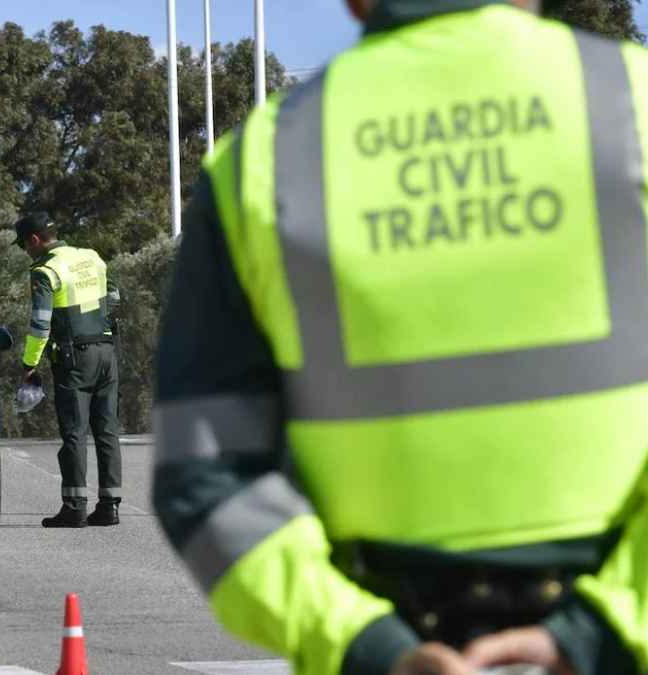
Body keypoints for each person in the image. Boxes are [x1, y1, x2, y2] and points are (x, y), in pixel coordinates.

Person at [152, 1, 648, 674]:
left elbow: (205, 479)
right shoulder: (632, 103)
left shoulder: (265, 163)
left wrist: (366, 643)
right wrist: (601, 628)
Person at [15, 212, 124, 528]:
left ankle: (75, 507)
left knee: (74, 432)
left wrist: (30, 363)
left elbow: (40, 323)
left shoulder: (45, 270)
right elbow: (114, 295)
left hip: (75, 358)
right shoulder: (91, 257)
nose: (26, 252)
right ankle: (109, 507)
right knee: (107, 430)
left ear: (35, 240)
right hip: (106, 351)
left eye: (25, 245)